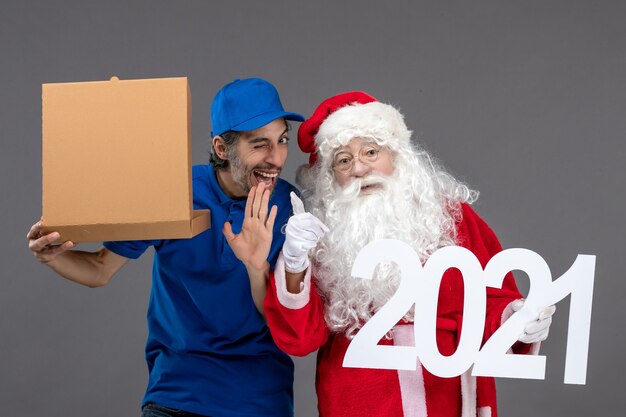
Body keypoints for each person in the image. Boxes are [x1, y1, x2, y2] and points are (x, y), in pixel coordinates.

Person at [262, 92, 556, 417]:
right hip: (359, 401)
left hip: (448, 397)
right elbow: (301, 339)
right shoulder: (317, 236)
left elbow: (493, 296)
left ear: (397, 155)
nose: (359, 168)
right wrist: (293, 264)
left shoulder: (450, 217)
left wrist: (516, 320)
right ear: (330, 177)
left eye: (371, 152)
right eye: (344, 160)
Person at [27, 78, 304, 417]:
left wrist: (255, 264)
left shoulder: (292, 207)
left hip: (259, 398)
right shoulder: (175, 192)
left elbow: (284, 321)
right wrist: (52, 256)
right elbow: (100, 269)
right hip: (177, 393)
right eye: (259, 144)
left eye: (282, 140)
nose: (275, 158)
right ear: (221, 148)